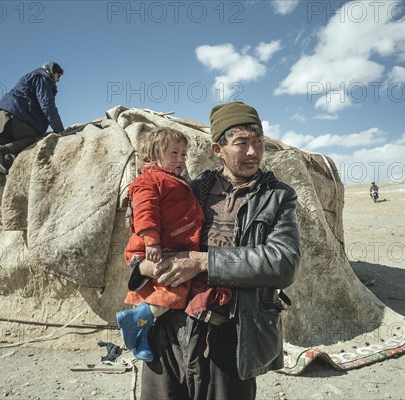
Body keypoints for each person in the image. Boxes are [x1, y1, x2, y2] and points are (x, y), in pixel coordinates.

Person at [127, 101, 301, 399]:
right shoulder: (190, 190)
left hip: (230, 334)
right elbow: (142, 240)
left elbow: (284, 263)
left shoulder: (277, 197)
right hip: (169, 327)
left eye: (258, 142)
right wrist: (141, 265)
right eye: (242, 143)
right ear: (217, 149)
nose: (253, 152)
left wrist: (202, 262)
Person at [117, 127, 231, 362]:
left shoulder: (174, 180)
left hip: (167, 247)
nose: (180, 159)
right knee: (172, 293)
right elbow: (144, 212)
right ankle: (135, 319)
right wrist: (152, 241)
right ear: (153, 153)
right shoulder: (149, 180)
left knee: (162, 292)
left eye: (184, 154)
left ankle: (141, 336)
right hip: (157, 248)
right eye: (174, 153)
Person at [0, 61, 65, 181]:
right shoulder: (42, 77)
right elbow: (47, 105)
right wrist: (59, 130)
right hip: (15, 116)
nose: (58, 80)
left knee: (1, 152)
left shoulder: (29, 77)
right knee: (34, 139)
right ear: (52, 71)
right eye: (58, 76)